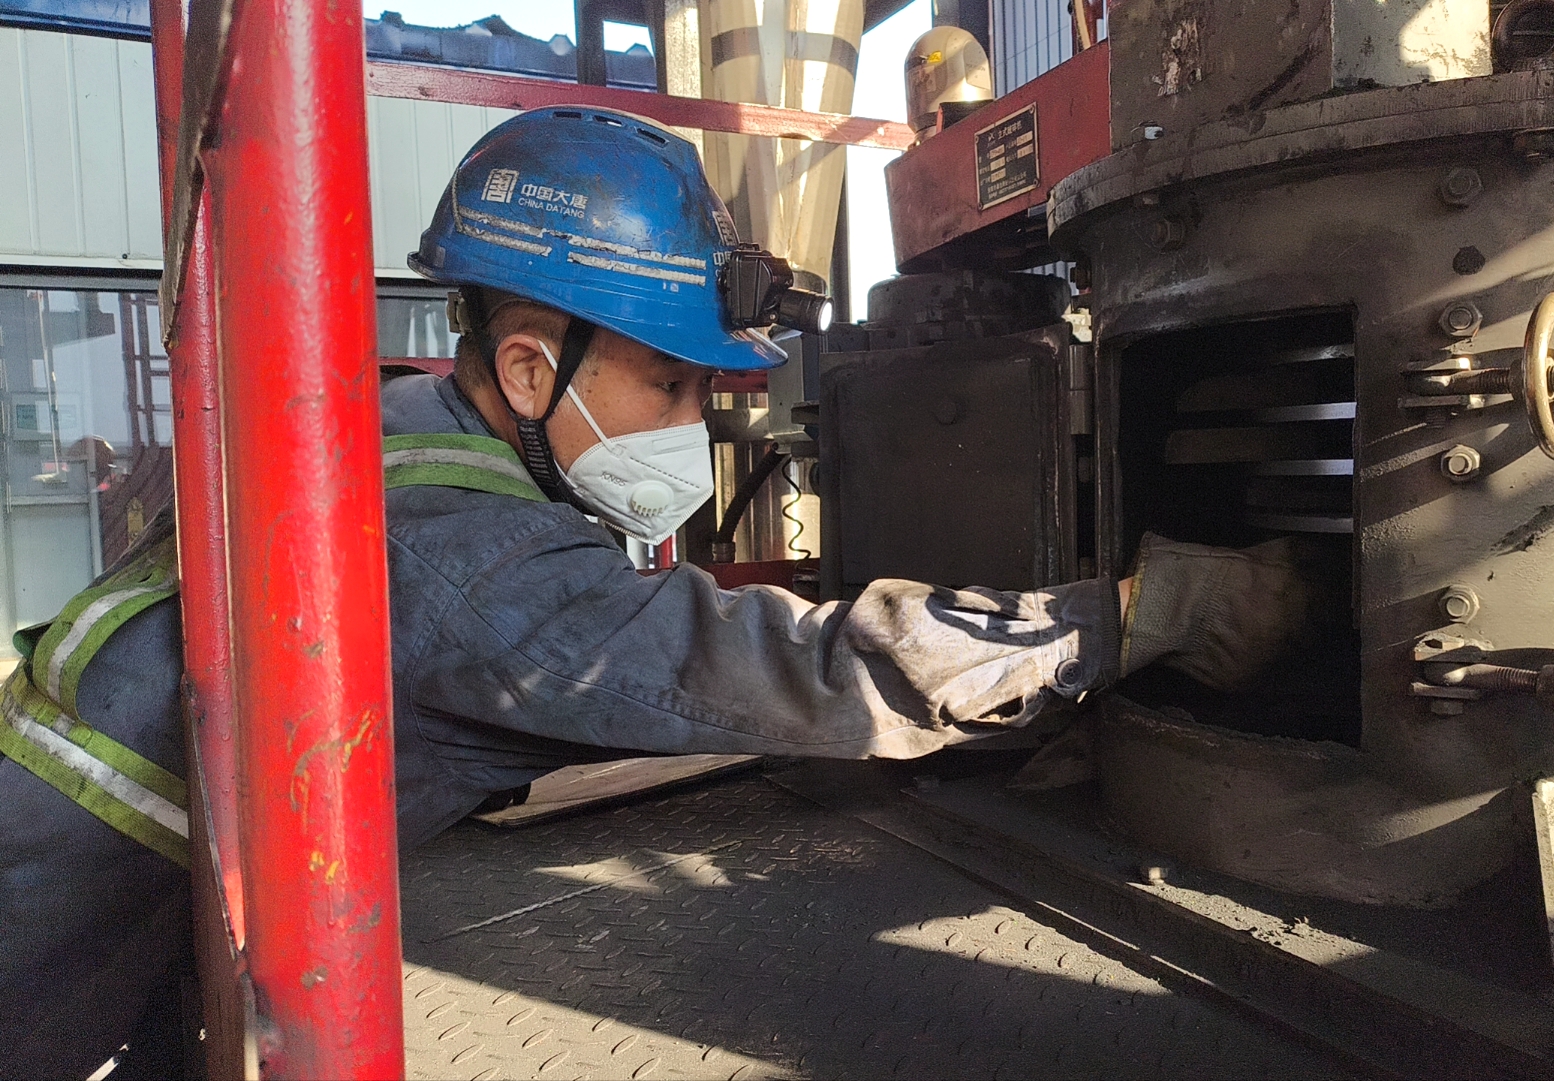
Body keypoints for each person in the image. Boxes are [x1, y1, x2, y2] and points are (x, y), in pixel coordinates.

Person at [0, 108, 1324, 1078]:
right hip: (57, 916)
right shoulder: (471, 565)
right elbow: (801, 668)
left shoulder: (398, 427)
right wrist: (1135, 617)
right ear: (532, 369)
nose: (700, 425)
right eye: (673, 385)